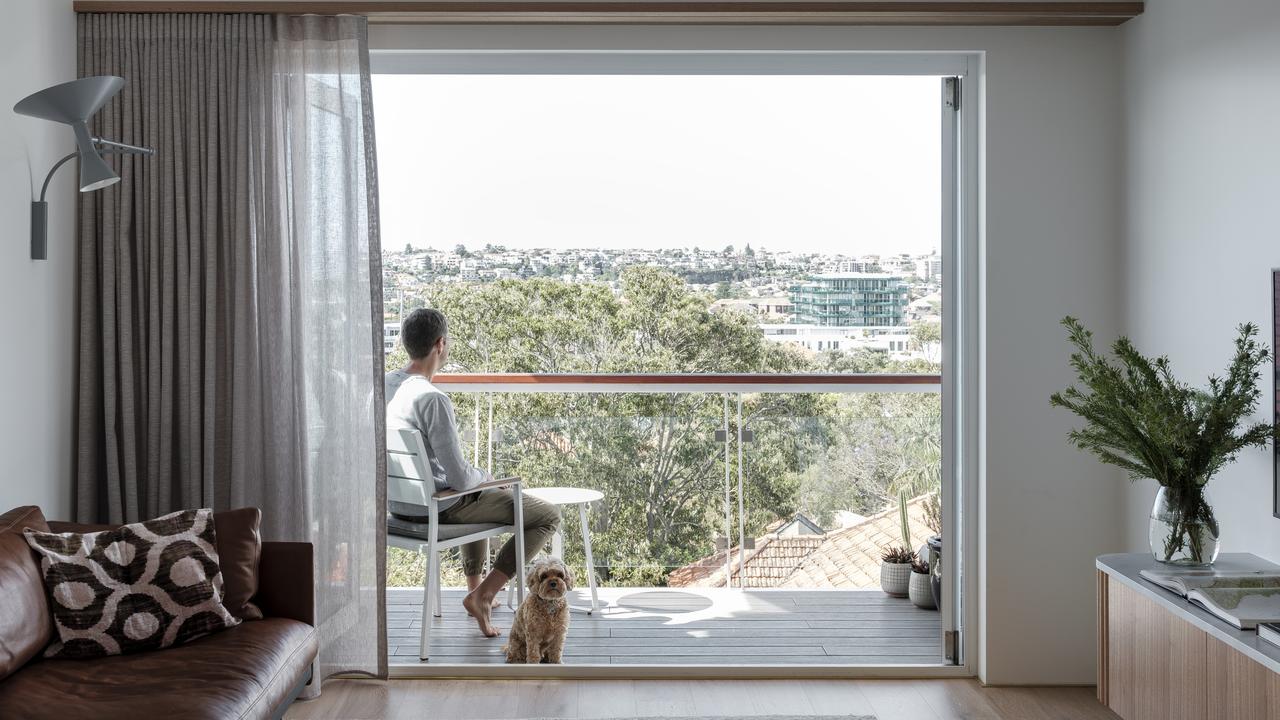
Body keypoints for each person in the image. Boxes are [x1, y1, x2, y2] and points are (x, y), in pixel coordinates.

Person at [385, 308, 561, 638]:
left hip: (399, 507)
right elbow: (461, 480)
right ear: (440, 344)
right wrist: (486, 474)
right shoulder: (432, 399)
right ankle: (483, 595)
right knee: (546, 515)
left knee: (483, 492)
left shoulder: (385, 386)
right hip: (438, 509)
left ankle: (476, 586)